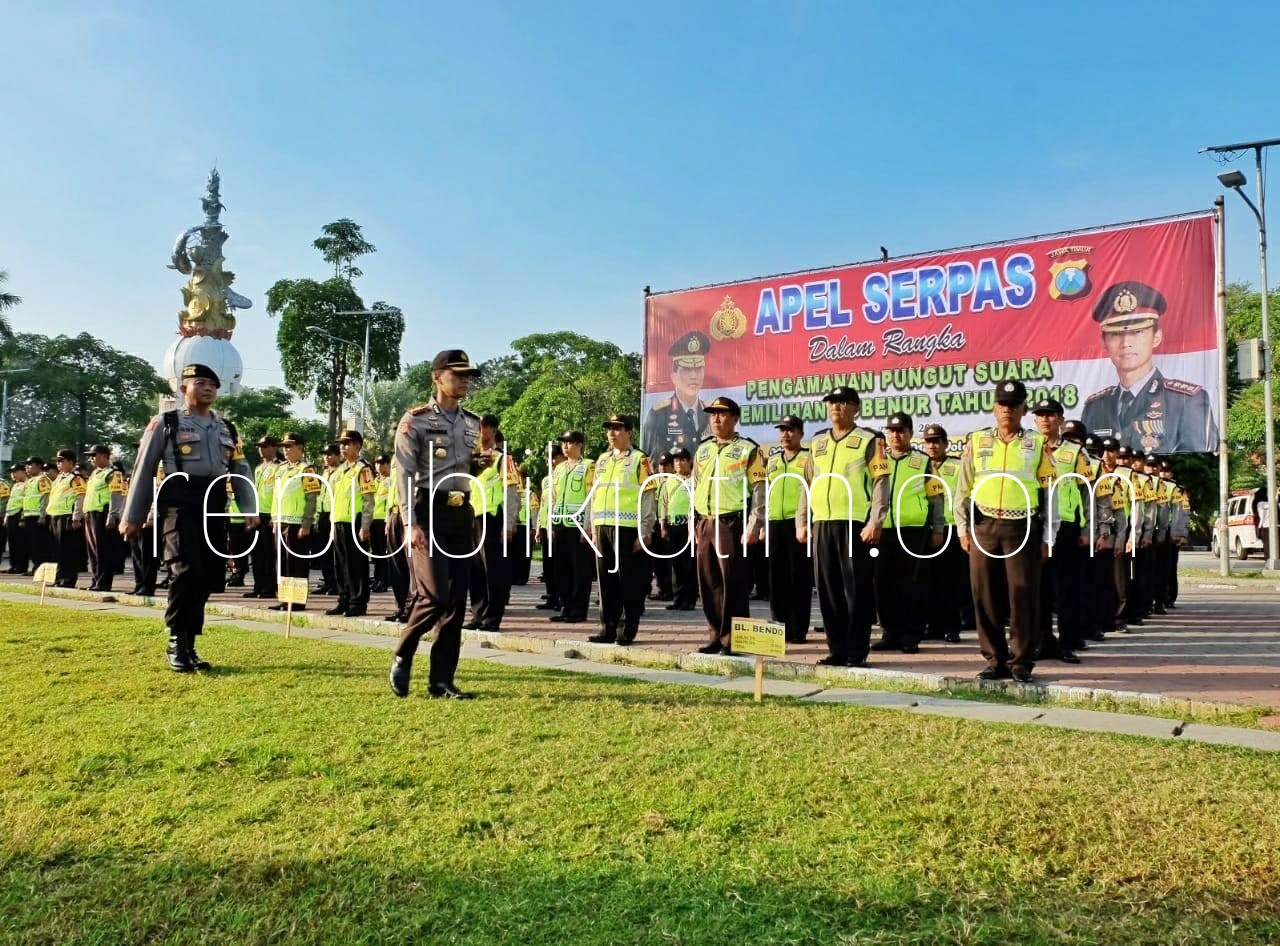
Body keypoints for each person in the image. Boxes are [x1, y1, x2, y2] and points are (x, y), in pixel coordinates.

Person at [120, 363, 257, 672]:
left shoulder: (226, 428)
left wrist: (249, 508)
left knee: (208, 575)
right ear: (184, 388)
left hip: (214, 504)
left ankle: (190, 643)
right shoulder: (165, 423)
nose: (207, 388)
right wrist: (133, 516)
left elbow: (240, 470)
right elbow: (143, 469)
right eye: (200, 382)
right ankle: (176, 642)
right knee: (185, 570)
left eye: (212, 384)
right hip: (178, 503)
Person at [389, 348, 489, 699]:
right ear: (437, 377)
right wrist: (408, 522)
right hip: (426, 509)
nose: (464, 381)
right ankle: (404, 650)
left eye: (467, 376)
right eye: (457, 374)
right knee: (435, 594)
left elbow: (466, 468)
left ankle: (441, 681)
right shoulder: (414, 420)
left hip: (461, 512)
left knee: (456, 601)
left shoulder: (472, 423)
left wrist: (481, 464)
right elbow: (403, 472)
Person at [955, 379, 1055, 684]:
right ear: (994, 407)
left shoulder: (1037, 444)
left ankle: (1021, 661)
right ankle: (994, 660)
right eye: (1002, 404)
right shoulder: (978, 441)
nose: (1007, 410)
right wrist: (962, 528)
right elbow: (962, 487)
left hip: (1021, 527)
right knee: (984, 595)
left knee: (1022, 595)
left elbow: (1051, 493)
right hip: (983, 525)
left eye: (1013, 405)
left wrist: (1048, 536)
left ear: (1024, 409)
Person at [795, 388, 889, 667]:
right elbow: (808, 482)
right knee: (828, 592)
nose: (836, 407)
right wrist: (802, 520)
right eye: (832, 402)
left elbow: (881, 482)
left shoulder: (870, 440)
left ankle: (856, 652)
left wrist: (875, 520)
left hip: (854, 524)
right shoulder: (818, 440)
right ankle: (837, 650)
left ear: (856, 408)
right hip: (822, 523)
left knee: (856, 592)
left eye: (843, 402)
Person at [1080, 281, 1217, 453]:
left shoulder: (1186, 401)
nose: (1125, 343)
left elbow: (1199, 463)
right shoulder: (1095, 407)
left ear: (1156, 337)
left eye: (1137, 332)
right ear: (1104, 343)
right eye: (1115, 334)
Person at [692, 396, 766, 655]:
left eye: (722, 414)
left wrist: (754, 525)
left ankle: (735, 640)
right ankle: (715, 635)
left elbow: (759, 490)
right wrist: (694, 520)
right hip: (705, 522)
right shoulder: (702, 449)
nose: (716, 418)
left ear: (735, 418)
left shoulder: (748, 449)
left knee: (733, 583)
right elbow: (696, 485)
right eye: (713, 414)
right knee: (709, 581)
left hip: (732, 522)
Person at [872, 413, 943, 654]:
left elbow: (936, 496)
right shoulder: (878, 460)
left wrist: (938, 527)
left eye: (901, 430)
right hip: (883, 531)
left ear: (911, 433)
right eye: (891, 431)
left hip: (913, 531)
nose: (895, 435)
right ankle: (890, 634)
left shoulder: (923, 461)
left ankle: (911, 636)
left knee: (912, 585)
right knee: (883, 584)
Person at [1030, 404, 1092, 664]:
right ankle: (1041, 642)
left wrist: (1088, 528)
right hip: (1034, 524)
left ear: (1060, 420)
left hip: (1066, 527)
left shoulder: (1076, 452)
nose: (1045, 419)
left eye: (1050, 415)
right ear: (1034, 420)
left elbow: (1088, 492)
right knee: (1036, 588)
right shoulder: (1027, 448)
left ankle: (1067, 643)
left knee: (1067, 588)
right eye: (1040, 415)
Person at [589, 413, 657, 645]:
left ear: (629, 432)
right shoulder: (601, 460)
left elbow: (649, 496)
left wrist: (645, 530)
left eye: (617, 428)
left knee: (628, 582)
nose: (611, 432)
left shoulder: (640, 459)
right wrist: (591, 525)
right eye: (609, 428)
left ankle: (627, 628)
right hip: (603, 527)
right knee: (606, 582)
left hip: (628, 528)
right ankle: (607, 627)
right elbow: (595, 494)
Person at [464, 415, 519, 631]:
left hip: (492, 517)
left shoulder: (502, 459)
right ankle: (478, 614)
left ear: (493, 430)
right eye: (478, 427)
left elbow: (512, 493)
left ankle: (492, 618)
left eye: (484, 427)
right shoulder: (471, 458)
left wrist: (508, 523)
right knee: (475, 570)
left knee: (493, 570)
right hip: (472, 517)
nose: (480, 431)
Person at [764, 415, 812, 644]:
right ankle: (779, 628)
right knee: (777, 578)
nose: (785, 434)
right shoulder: (772, 461)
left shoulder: (809, 458)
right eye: (782, 429)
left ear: (801, 433)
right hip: (775, 523)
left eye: (790, 430)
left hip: (798, 524)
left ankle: (798, 629)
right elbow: (766, 493)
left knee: (799, 578)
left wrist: (807, 523)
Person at [921, 424, 965, 643]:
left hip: (952, 528)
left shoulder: (958, 465)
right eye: (929, 441)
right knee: (929, 580)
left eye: (937, 441)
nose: (933, 446)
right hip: (925, 529)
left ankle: (951, 627)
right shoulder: (919, 465)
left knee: (950, 581)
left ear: (946, 444)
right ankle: (933, 626)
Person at [269, 432, 320, 611]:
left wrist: (306, 523)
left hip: (297, 524)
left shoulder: (307, 469)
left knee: (296, 563)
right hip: (281, 522)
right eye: (284, 446)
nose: (286, 449)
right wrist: (274, 520)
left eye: (289, 446)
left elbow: (312, 498)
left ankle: (297, 602)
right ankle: (284, 599)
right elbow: (277, 497)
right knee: (282, 562)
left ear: (300, 448)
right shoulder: (281, 469)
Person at [328, 429, 376, 618]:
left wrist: (365, 526)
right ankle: (344, 599)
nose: (343, 447)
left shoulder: (363, 469)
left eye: (347, 443)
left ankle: (358, 602)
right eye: (342, 444)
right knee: (340, 565)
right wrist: (332, 524)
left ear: (357, 445)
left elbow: (368, 499)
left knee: (356, 565)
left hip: (354, 522)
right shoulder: (340, 470)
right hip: (339, 521)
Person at [548, 430, 595, 625]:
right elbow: (553, 497)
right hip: (561, 525)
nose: (565, 446)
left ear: (580, 445)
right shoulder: (558, 469)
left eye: (570, 443)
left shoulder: (588, 466)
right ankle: (566, 606)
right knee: (562, 569)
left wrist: (588, 527)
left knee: (580, 570)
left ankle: (578, 609)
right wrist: (550, 524)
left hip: (578, 526)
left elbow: (592, 497)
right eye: (563, 443)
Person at [641, 330, 712, 457]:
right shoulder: (659, 414)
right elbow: (653, 459)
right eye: (687, 369)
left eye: (698, 369)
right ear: (673, 376)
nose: (694, 376)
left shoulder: (711, 413)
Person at [83, 444, 125, 591]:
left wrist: (112, 516)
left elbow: (116, 496)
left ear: (103, 455)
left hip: (103, 513)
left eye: (93, 455)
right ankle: (95, 580)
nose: (91, 459)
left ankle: (103, 583)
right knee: (93, 550)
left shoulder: (113, 473)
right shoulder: (95, 473)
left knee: (103, 550)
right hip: (91, 512)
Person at [661, 446, 698, 611]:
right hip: (673, 525)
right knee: (676, 565)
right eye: (676, 460)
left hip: (688, 527)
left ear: (689, 462)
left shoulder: (695, 480)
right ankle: (678, 599)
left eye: (682, 459)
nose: (679, 463)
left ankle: (689, 600)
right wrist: (663, 525)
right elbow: (664, 504)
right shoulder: (669, 480)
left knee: (688, 564)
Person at [245, 435, 282, 599]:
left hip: (270, 514)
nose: (260, 449)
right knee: (257, 553)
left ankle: (269, 586)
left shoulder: (279, 467)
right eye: (259, 446)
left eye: (264, 446)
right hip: (257, 514)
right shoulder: (259, 468)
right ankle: (258, 585)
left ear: (274, 447)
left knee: (269, 554)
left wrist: (276, 515)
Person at [46, 449, 87, 588]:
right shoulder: (59, 478)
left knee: (68, 550)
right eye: (57, 461)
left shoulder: (75, 477)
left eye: (61, 461)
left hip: (67, 517)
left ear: (70, 462)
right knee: (57, 550)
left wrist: (76, 517)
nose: (58, 464)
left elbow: (79, 497)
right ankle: (58, 577)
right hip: (55, 516)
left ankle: (68, 579)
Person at [534, 443, 565, 613]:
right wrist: (539, 527)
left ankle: (561, 597)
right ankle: (551, 596)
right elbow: (543, 504)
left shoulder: (564, 476)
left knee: (558, 565)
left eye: (555, 457)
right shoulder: (547, 480)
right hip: (546, 526)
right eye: (550, 458)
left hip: (557, 526)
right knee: (548, 565)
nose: (552, 461)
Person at [313, 442, 341, 594]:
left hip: (333, 514)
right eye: (324, 454)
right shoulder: (324, 473)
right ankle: (328, 581)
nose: (326, 457)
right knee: (323, 551)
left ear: (338, 456)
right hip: (322, 514)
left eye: (330, 454)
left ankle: (336, 583)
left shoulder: (340, 472)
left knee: (335, 553)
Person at [648, 451, 676, 601]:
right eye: (661, 464)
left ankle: (669, 590)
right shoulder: (656, 481)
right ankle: (661, 589)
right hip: (655, 524)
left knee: (667, 560)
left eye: (666, 465)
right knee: (657, 560)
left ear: (672, 466)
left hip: (669, 523)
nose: (663, 467)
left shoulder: (676, 481)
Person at [21, 456, 53, 575]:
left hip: (38, 517)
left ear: (39, 466)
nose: (28, 467)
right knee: (32, 544)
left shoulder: (42, 479)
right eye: (27, 465)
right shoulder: (29, 481)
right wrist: (23, 516)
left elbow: (45, 498)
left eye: (31, 465)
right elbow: (26, 500)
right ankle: (35, 567)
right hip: (29, 516)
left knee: (40, 545)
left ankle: (41, 569)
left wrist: (43, 515)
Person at [371, 455, 392, 593]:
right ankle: (377, 579)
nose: (379, 466)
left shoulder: (390, 481)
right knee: (377, 553)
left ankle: (384, 581)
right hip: (373, 520)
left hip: (383, 520)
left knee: (384, 553)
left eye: (382, 463)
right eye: (377, 463)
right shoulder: (375, 481)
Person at [3, 464, 28, 574]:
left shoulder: (27, 484)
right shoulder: (16, 485)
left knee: (20, 543)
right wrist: (6, 517)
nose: (12, 474)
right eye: (11, 472)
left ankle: (21, 566)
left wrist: (22, 516)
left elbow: (26, 501)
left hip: (19, 514)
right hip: (11, 515)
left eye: (15, 471)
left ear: (23, 472)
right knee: (12, 542)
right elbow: (11, 502)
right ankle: (14, 565)